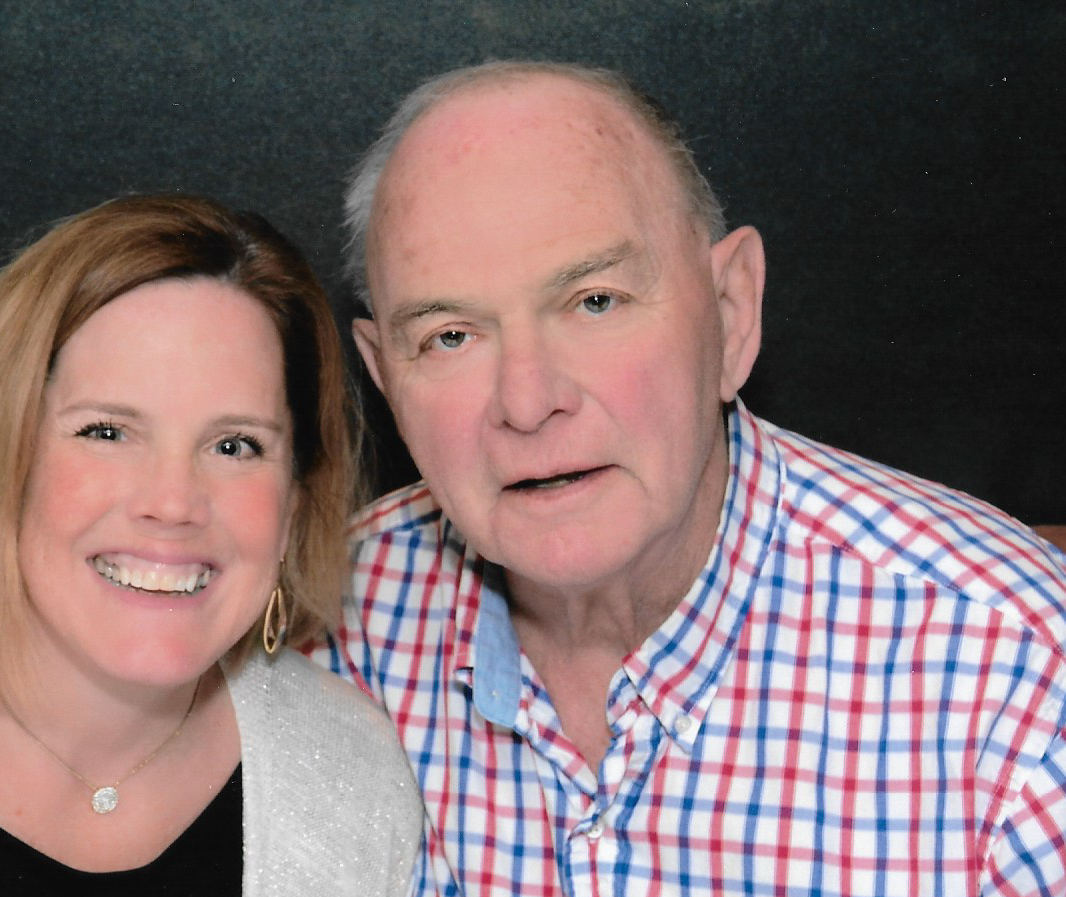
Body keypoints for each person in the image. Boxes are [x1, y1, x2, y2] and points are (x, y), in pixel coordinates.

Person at [317, 60, 1066, 895]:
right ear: (385, 379)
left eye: (594, 301)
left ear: (730, 314)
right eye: (450, 336)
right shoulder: (320, 632)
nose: (527, 403)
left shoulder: (1020, 682)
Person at [0, 194, 421, 895]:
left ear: (295, 501)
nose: (172, 503)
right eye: (107, 431)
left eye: (234, 445)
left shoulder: (356, 779)